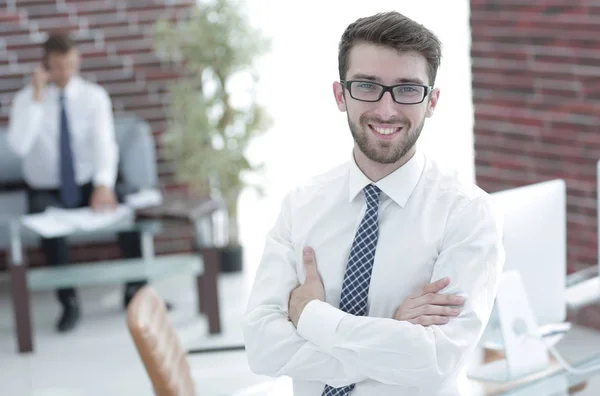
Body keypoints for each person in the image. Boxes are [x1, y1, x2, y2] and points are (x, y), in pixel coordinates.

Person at [243, 11, 505, 396]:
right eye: (367, 86)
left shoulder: (467, 213)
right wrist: (394, 335)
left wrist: (312, 317)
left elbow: (434, 362)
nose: (386, 110)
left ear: (431, 101)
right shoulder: (301, 205)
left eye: (407, 89)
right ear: (340, 95)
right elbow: (263, 348)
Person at [7, 32, 153, 333]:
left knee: (129, 213)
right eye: (58, 66)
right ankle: (68, 304)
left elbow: (104, 143)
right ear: (45, 64)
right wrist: (36, 99)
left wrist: (103, 184)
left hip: (87, 182)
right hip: (46, 188)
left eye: (71, 65)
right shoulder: (25, 100)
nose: (65, 73)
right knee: (51, 230)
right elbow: (19, 147)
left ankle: (136, 293)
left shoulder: (93, 97)